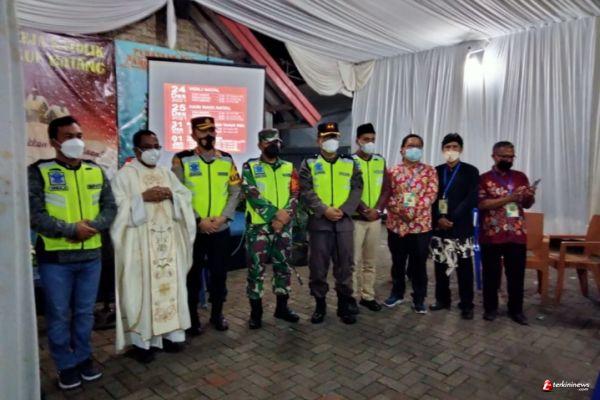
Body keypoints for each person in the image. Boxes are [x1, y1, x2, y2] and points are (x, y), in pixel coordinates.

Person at [28, 116, 116, 390]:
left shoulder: (95, 170)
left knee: (84, 313)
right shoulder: (39, 171)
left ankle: (83, 358)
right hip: (56, 259)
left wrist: (91, 227)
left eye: (78, 135)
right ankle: (65, 365)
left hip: (91, 257)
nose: (76, 141)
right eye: (68, 136)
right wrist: (70, 230)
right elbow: (35, 215)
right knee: (58, 315)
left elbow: (110, 208)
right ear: (54, 141)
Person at [111, 130, 196, 363]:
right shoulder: (124, 176)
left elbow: (185, 196)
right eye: (148, 146)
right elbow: (117, 208)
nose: (154, 151)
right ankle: (143, 343)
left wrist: (172, 195)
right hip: (140, 248)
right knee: (142, 291)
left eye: (156, 146)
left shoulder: (166, 173)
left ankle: (171, 336)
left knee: (171, 289)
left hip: (167, 245)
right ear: (136, 150)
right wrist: (142, 198)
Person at [172, 116, 242, 334]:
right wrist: (198, 220)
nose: (208, 135)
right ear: (193, 135)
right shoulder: (182, 159)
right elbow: (178, 193)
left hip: (220, 229)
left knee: (219, 275)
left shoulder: (226, 159)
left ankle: (217, 314)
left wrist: (223, 218)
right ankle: (192, 320)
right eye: (203, 131)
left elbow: (235, 191)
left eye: (212, 130)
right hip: (194, 230)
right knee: (192, 276)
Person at [299, 122, 363, 324]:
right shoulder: (309, 163)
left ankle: (344, 305)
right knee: (318, 267)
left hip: (344, 222)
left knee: (345, 266)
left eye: (334, 137)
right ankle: (320, 305)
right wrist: (323, 209)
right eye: (326, 137)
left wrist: (345, 209)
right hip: (320, 224)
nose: (330, 141)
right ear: (319, 140)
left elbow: (357, 188)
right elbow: (306, 190)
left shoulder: (350, 163)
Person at [241, 129, 300, 329]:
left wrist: (284, 217)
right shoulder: (250, 166)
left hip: (283, 227)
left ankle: (282, 308)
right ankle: (256, 313)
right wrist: (275, 215)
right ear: (260, 145)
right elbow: (252, 194)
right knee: (256, 270)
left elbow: (295, 194)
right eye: (268, 142)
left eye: (276, 142)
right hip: (258, 227)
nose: (274, 145)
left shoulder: (289, 167)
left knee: (283, 268)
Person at [478, 141, 535, 325]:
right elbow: (482, 204)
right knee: (491, 274)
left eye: (511, 156)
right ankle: (490, 308)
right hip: (491, 234)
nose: (508, 160)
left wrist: (529, 196)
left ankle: (516, 310)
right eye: (504, 156)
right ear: (494, 156)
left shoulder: (520, 177)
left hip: (516, 234)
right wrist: (509, 198)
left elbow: (527, 205)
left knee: (516, 275)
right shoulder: (483, 179)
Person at [383, 133, 438, 314]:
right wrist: (400, 212)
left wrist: (412, 213)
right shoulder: (392, 171)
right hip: (396, 225)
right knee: (398, 262)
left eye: (418, 146)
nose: (414, 149)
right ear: (402, 149)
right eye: (410, 145)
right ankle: (397, 293)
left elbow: (431, 195)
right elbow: (387, 195)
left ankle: (419, 299)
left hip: (420, 227)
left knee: (419, 265)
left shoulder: (429, 171)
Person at [430, 133, 479, 319]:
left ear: (461, 149)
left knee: (464, 268)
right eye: (447, 147)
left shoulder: (470, 171)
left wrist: (452, 218)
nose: (451, 150)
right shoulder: (435, 171)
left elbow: (471, 198)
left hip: (461, 227)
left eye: (455, 147)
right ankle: (442, 299)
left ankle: (467, 304)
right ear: (442, 150)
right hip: (440, 227)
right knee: (440, 265)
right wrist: (438, 218)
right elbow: (431, 198)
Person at [351, 123, 390, 312]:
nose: (370, 143)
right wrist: (364, 209)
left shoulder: (379, 161)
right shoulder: (349, 162)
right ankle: (350, 298)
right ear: (357, 140)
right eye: (366, 139)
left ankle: (367, 296)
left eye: (372, 139)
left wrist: (378, 210)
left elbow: (386, 189)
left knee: (370, 262)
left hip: (374, 220)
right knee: (352, 262)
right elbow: (348, 189)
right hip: (355, 219)